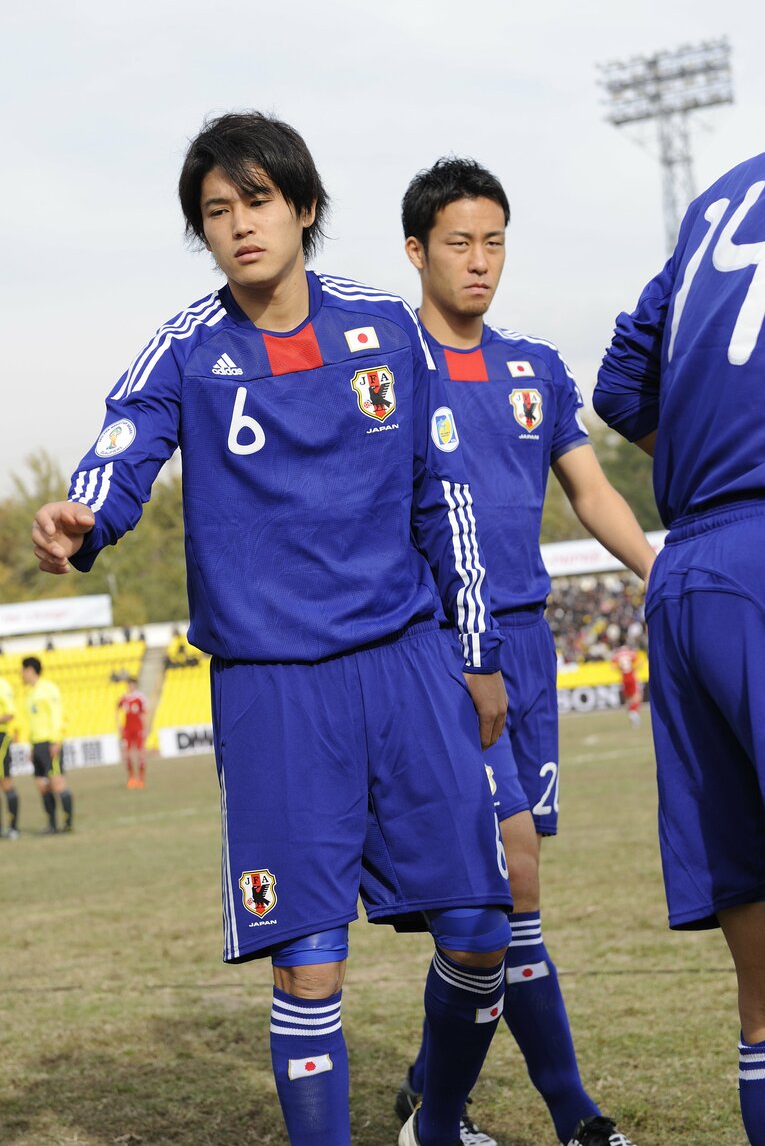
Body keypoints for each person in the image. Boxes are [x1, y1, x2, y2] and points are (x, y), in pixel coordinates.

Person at [31, 111, 517, 1146]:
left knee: (482, 932)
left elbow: (449, 500)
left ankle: (436, 1119)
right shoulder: (191, 349)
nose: (239, 224)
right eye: (216, 210)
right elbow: (123, 445)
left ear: (302, 208)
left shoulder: (385, 329)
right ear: (202, 232)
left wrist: (476, 654)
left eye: (257, 201)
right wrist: (87, 512)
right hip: (272, 686)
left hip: (404, 663)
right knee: (307, 958)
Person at [398, 157, 655, 1146]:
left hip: (529, 644)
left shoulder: (533, 367)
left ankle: (434, 1078)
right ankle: (570, 1114)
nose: (478, 261)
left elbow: (589, 488)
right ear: (416, 250)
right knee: (511, 876)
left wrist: (655, 569)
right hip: (440, 650)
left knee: (512, 893)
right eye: (457, 242)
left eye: (493, 241)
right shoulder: (387, 369)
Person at [594, 152, 765, 1146]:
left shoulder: (717, 198)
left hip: (690, 568)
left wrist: (712, 458)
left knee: (758, 988)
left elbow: (622, 382)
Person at [21, 657, 73, 834]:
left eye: (22, 670)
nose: (21, 674)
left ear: (30, 670)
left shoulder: (48, 689)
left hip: (49, 742)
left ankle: (68, 823)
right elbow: (33, 722)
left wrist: (56, 740)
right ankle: (51, 824)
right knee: (41, 785)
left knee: (57, 782)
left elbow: (56, 715)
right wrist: (31, 745)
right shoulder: (30, 693)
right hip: (37, 744)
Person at [117, 675, 148, 788]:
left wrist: (145, 728)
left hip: (138, 728)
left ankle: (141, 778)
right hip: (127, 729)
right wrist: (118, 725)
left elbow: (144, 714)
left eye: (131, 684)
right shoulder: (124, 698)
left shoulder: (140, 698)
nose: (129, 686)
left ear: (135, 685)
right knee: (127, 755)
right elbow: (117, 710)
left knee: (140, 754)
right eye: (128, 684)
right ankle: (131, 778)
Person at [0, 674, 20, 838]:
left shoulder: (2, 685)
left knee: (5, 781)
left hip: (1, 736)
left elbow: (10, 713)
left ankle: (13, 827)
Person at [610, 645, 642, 727]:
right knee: (637, 696)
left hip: (624, 677)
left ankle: (631, 712)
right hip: (631, 675)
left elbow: (612, 666)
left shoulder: (617, 655)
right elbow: (640, 662)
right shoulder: (631, 653)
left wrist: (620, 669)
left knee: (628, 697)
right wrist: (634, 668)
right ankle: (634, 712)